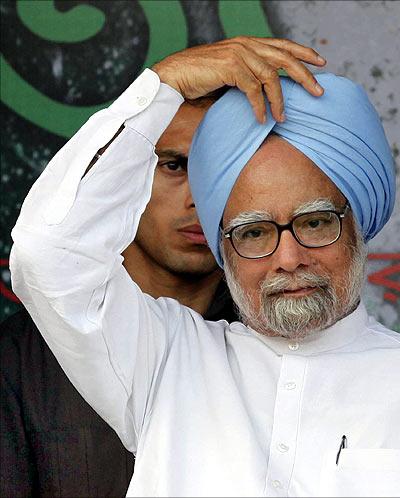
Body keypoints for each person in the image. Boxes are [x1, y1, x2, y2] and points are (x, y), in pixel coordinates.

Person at [9, 36, 400, 497]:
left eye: (316, 223)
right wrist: (164, 86)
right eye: (253, 232)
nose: (288, 258)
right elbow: (47, 254)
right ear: (224, 248)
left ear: (360, 224)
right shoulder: (167, 359)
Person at [0, 94, 237, 496]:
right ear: (120, 175)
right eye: (175, 166)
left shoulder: (274, 348)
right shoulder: (18, 357)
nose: (200, 196)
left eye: (226, 170)